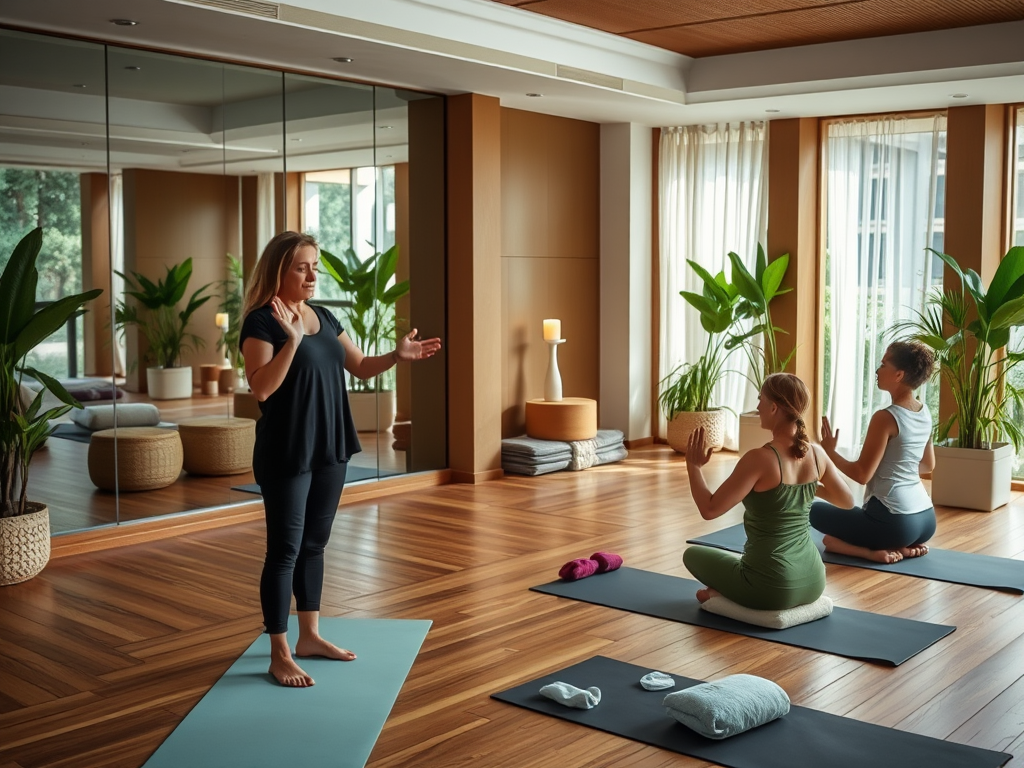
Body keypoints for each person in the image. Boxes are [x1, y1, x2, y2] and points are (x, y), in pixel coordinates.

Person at [240, 231, 441, 687]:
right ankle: (279, 651)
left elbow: (361, 365)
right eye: (301, 267)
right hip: (287, 450)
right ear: (279, 271)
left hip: (330, 445)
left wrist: (397, 355)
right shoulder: (261, 322)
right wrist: (291, 341)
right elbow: (262, 388)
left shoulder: (325, 316)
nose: (312, 275)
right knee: (284, 550)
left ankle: (309, 635)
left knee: (315, 544)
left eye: (314, 266)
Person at [682, 373, 854, 609]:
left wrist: (693, 466)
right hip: (814, 580)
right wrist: (807, 488)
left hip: (774, 587)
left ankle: (723, 596)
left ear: (774, 407)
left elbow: (709, 509)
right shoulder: (816, 454)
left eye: (760, 399)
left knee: (692, 555)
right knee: (736, 561)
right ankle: (725, 593)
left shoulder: (759, 459)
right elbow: (847, 501)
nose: (757, 406)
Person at [811, 341, 936, 564]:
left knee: (815, 511)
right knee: (853, 519)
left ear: (899, 375)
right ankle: (900, 546)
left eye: (883, 364)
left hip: (896, 525)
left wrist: (830, 452)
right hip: (926, 520)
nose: (877, 370)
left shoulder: (886, 417)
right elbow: (927, 465)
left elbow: (861, 474)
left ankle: (870, 552)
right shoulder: (924, 412)